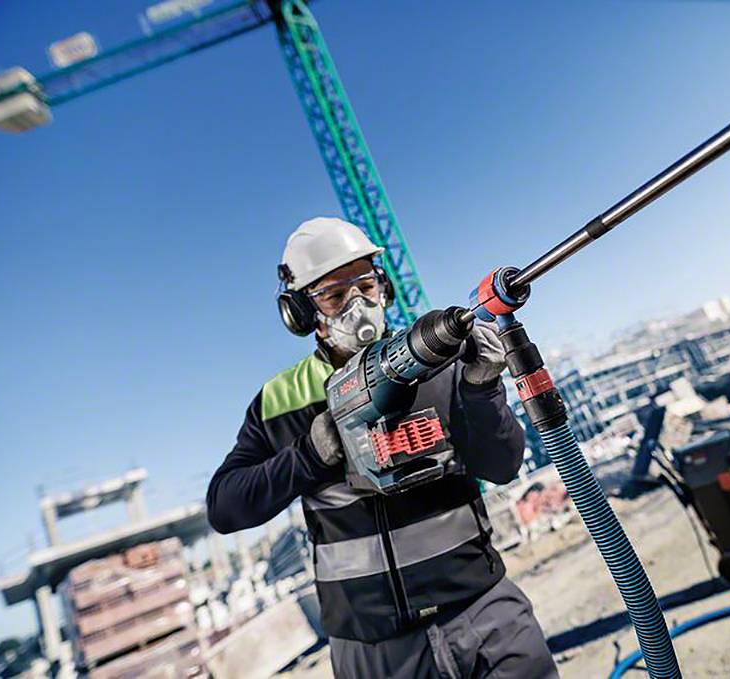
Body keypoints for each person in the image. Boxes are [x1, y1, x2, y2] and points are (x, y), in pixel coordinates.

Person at [207, 217, 558, 678]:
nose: (357, 305)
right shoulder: (280, 402)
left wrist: (481, 388)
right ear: (301, 313)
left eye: (365, 286)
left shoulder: (433, 362)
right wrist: (308, 455)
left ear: (383, 287)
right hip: (373, 652)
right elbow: (225, 507)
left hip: (483, 613)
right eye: (334, 295)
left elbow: (503, 464)